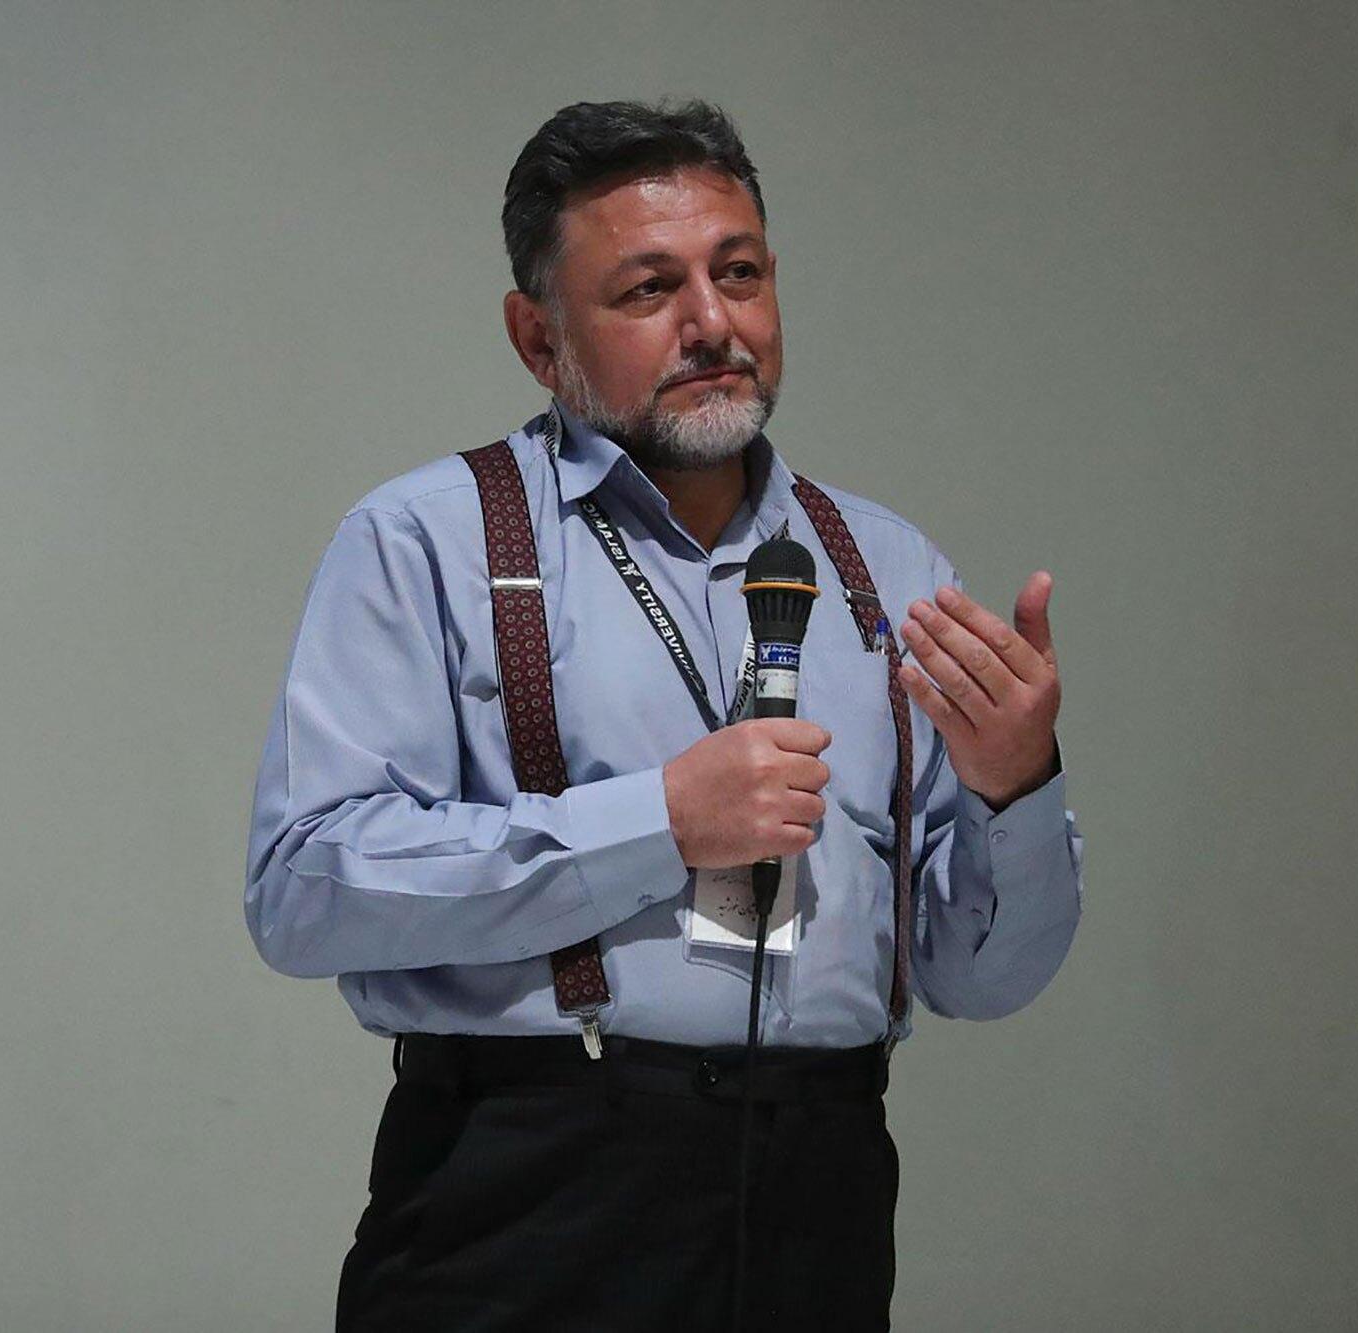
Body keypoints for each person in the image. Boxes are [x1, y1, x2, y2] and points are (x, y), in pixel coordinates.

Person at [244, 99, 1082, 1331]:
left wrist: (1016, 786)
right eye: (647, 289)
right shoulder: (426, 540)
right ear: (537, 338)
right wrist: (659, 824)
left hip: (823, 1183)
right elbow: (303, 889)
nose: (711, 324)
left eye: (737, 274)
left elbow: (984, 977)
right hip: (530, 1189)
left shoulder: (889, 569)